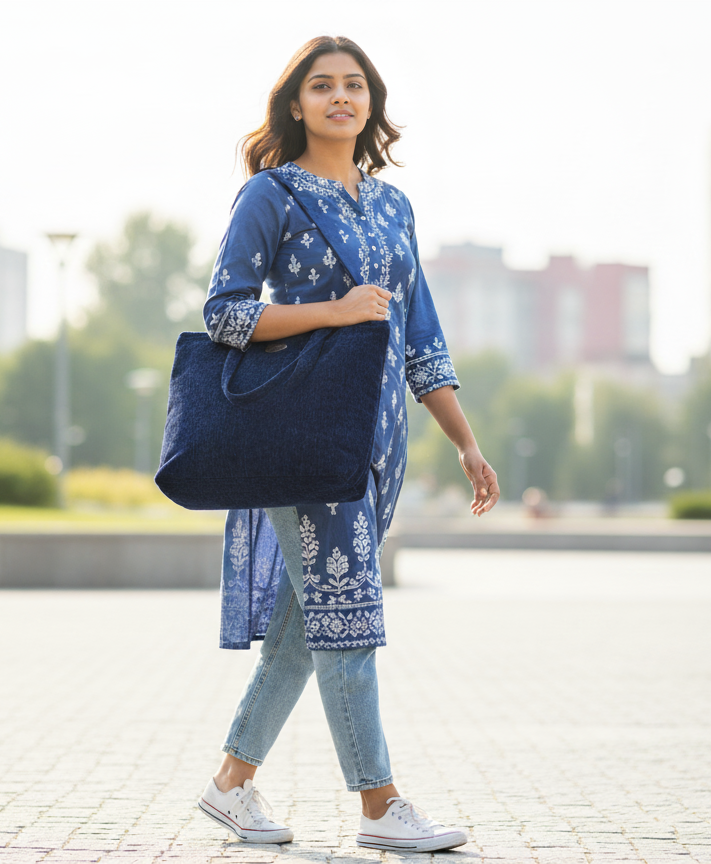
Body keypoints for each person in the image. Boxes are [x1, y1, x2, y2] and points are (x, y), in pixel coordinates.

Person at [196, 35, 499, 853]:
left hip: (378, 451)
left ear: (371, 103)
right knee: (351, 623)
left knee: (308, 629)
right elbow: (224, 314)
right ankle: (380, 807)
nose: (340, 97)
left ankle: (230, 787)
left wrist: (466, 443)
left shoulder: (394, 207)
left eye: (353, 85)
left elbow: (420, 339)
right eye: (322, 85)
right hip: (301, 440)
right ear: (295, 103)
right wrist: (332, 312)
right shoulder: (271, 195)